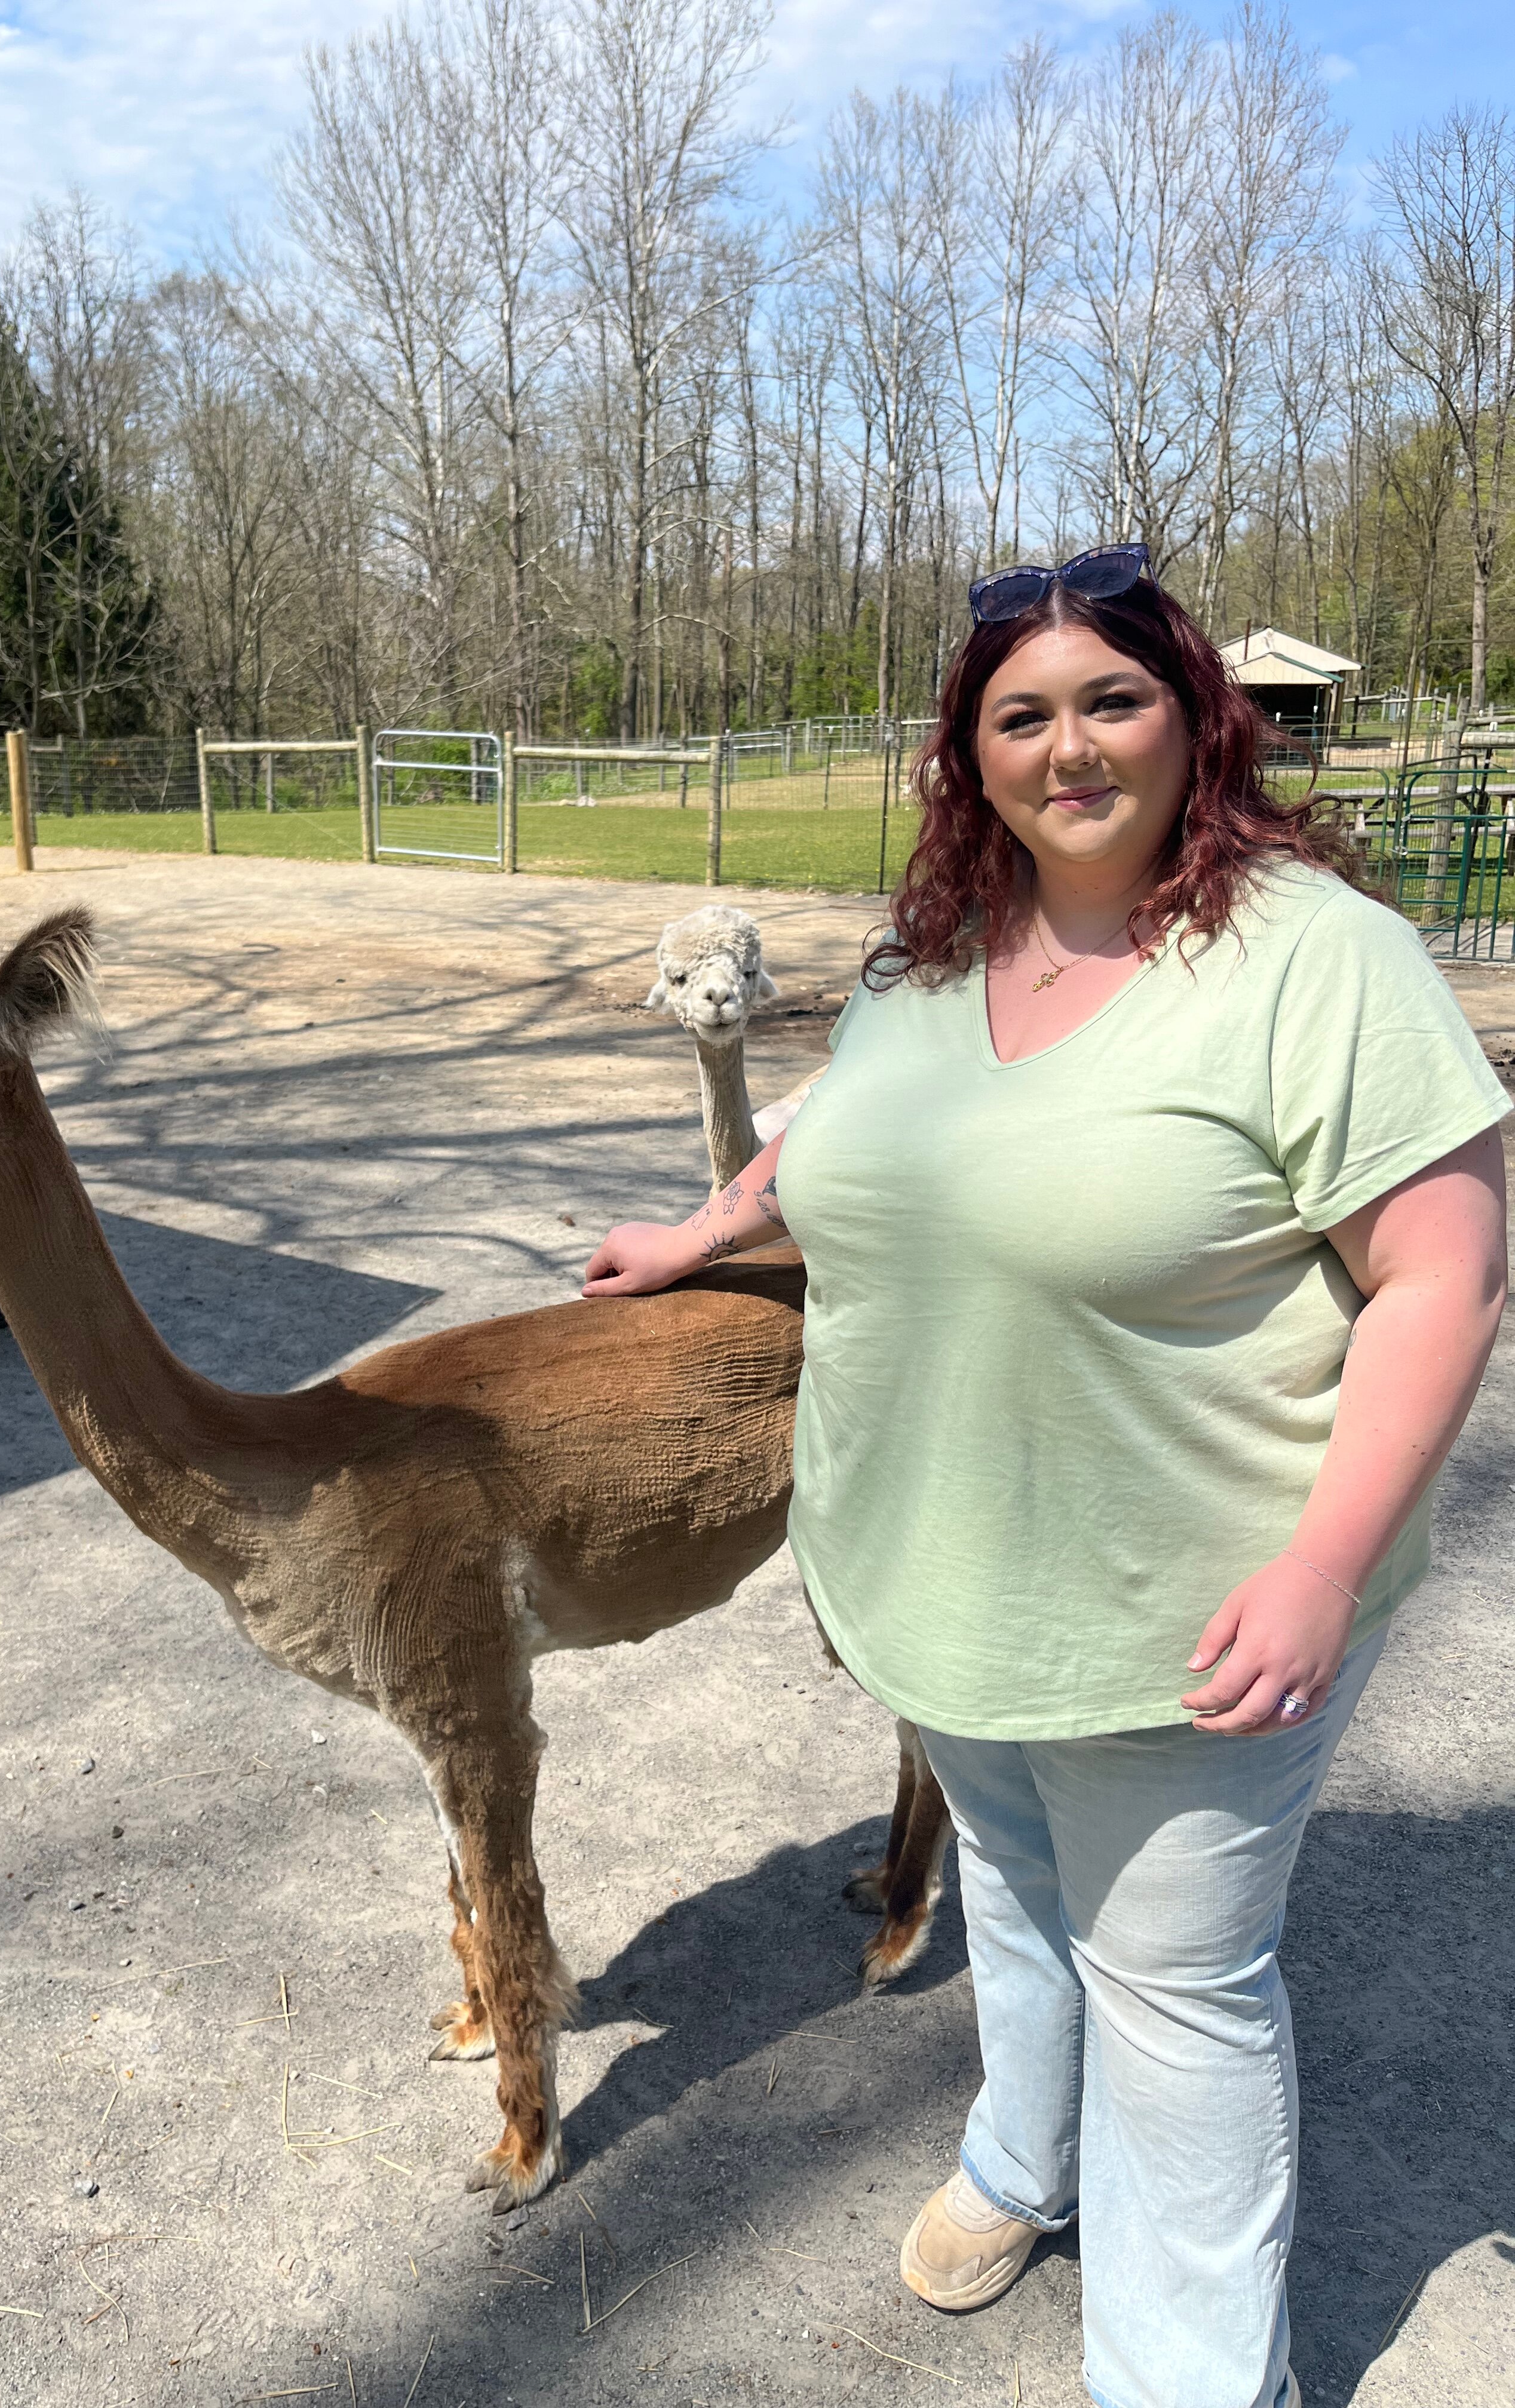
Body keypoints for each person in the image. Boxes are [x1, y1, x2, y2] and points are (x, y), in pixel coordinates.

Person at [581, 546, 1509, 2408]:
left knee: (1178, 1991)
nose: (1067, 749)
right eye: (1023, 714)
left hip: (1191, 1601)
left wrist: (1331, 1558)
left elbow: (1448, 1265)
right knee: (1009, 1884)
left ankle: (1184, 2382)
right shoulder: (934, 952)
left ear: (1194, 719)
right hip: (939, 1567)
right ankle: (1023, 2158)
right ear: (970, 751)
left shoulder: (1313, 958)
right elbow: (850, 1116)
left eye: (1112, 701)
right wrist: (711, 1223)